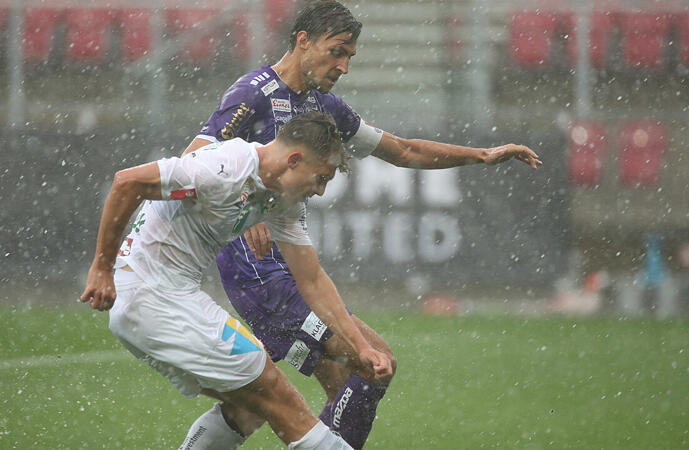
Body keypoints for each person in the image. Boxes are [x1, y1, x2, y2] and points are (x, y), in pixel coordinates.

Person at [181, 2, 543, 448]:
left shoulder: (324, 107)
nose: (344, 67)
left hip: (286, 272)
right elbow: (191, 162)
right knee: (370, 365)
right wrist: (241, 206)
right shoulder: (253, 93)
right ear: (303, 40)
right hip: (260, 276)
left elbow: (403, 151)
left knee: (259, 404)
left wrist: (481, 155)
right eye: (336, 52)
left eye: (350, 56)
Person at [80, 111, 392, 449]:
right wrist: (101, 268)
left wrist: (360, 347)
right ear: (294, 159)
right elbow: (128, 182)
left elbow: (312, 280)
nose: (318, 192)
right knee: (279, 398)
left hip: (156, 301)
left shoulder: (278, 201)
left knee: (250, 407)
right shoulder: (225, 169)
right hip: (155, 299)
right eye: (321, 178)